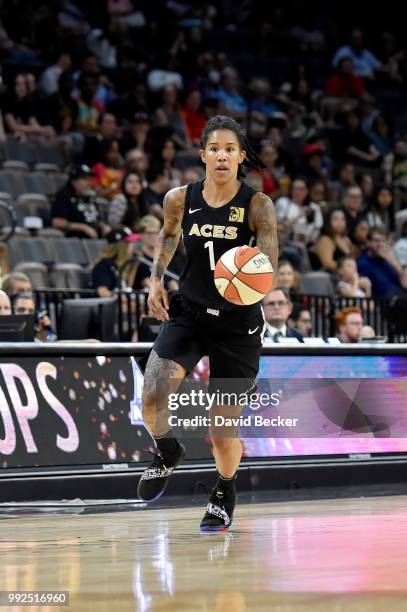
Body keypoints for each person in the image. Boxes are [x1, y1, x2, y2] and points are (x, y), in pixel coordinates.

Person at [137, 115, 278, 531]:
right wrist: (156, 279)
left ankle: (224, 489)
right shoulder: (179, 198)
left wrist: (246, 271)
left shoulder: (257, 205)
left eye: (230, 149)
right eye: (214, 148)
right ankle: (166, 450)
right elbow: (167, 234)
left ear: (240, 157)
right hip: (192, 313)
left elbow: (269, 263)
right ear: (202, 155)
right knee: (151, 395)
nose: (221, 155)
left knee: (221, 433)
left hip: (238, 324)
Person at [52, 164, 110, 238]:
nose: (88, 183)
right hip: (77, 236)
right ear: (74, 181)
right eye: (85, 179)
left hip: (96, 235)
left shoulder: (89, 197)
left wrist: (104, 227)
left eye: (89, 179)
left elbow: (97, 219)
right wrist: (84, 228)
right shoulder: (64, 196)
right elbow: (57, 222)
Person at [92, 227, 140, 297]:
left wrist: (134, 269)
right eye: (130, 243)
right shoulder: (104, 265)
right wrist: (124, 302)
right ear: (122, 247)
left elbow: (127, 289)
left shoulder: (125, 264)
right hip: (111, 306)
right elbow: (103, 292)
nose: (133, 246)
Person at [275, 177, 323, 245]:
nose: (297, 192)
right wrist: (299, 216)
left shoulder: (315, 208)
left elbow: (318, 230)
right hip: (286, 241)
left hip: (309, 243)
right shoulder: (283, 202)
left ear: (307, 191)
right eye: (294, 189)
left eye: (301, 189)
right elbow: (279, 227)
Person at [357, 229, 401, 297]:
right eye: (376, 241)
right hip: (382, 301)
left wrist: (395, 264)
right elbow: (381, 289)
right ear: (368, 243)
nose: (381, 244)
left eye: (383, 241)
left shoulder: (390, 259)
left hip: (399, 298)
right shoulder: (363, 263)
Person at [312, 207, 354, 273]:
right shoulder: (325, 239)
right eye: (335, 219)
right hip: (329, 277)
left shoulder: (345, 240)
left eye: (343, 219)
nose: (340, 222)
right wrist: (346, 269)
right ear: (328, 221)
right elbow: (327, 264)